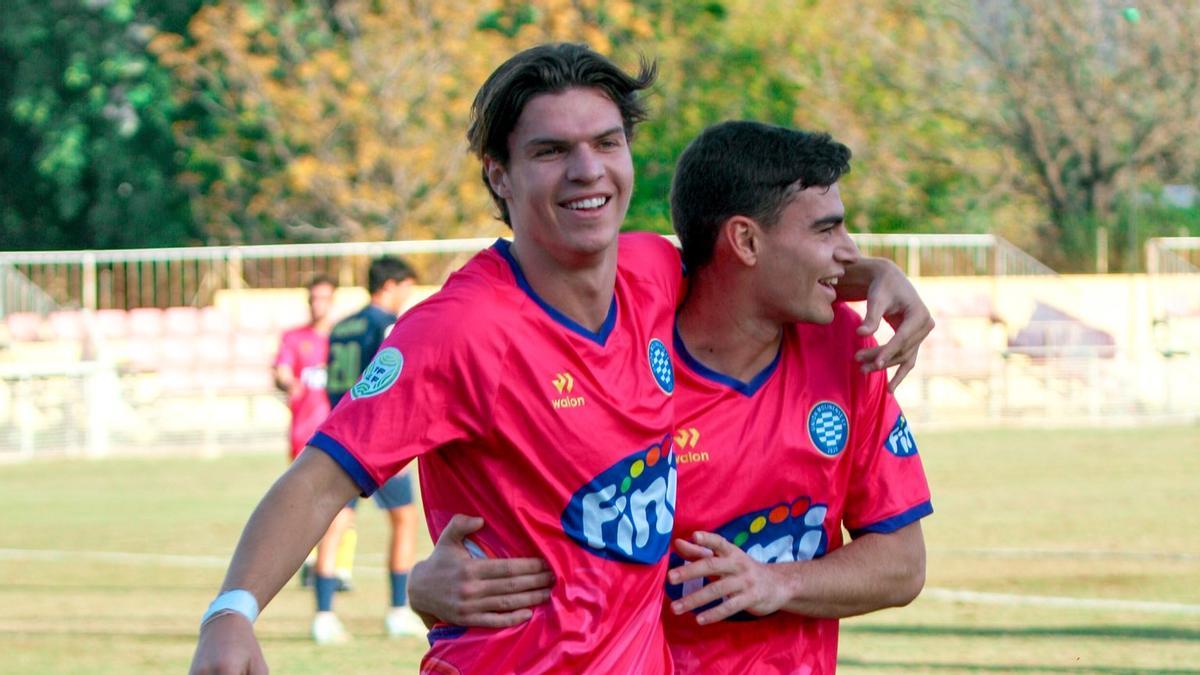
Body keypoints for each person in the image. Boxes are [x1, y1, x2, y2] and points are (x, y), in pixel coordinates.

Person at [189, 43, 930, 675]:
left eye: (606, 143)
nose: (588, 170)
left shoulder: (650, 274)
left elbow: (756, 262)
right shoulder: (459, 331)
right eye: (551, 151)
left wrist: (870, 276)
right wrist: (233, 609)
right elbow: (319, 481)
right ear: (499, 175)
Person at [405, 122, 933, 673]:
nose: (849, 250)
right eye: (827, 232)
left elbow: (902, 563)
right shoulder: (622, 351)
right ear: (745, 240)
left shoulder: (847, 349)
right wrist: (429, 590)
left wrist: (776, 581)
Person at [310, 256, 425, 644]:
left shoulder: (341, 326)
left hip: (338, 433)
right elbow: (391, 383)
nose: (408, 296)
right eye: (407, 287)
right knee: (405, 519)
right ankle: (397, 611)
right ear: (391, 285)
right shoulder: (384, 326)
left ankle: (323, 616)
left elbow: (332, 383)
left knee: (336, 524)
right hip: (376, 440)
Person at [271, 275, 352, 591]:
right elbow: (281, 370)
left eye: (324, 298)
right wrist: (286, 381)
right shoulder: (295, 338)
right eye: (313, 298)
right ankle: (314, 563)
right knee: (312, 501)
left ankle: (334, 567)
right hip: (304, 433)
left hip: (341, 433)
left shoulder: (344, 340)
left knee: (343, 504)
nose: (318, 304)